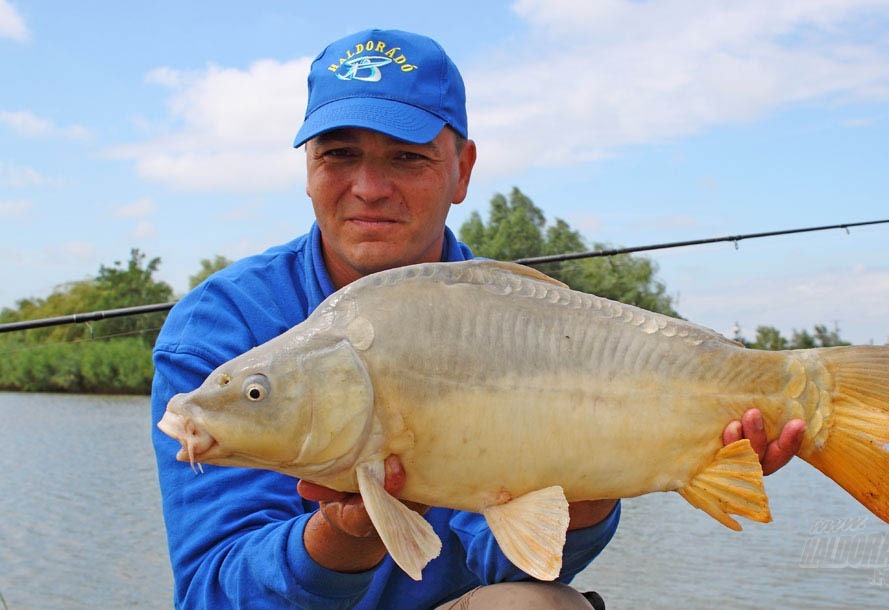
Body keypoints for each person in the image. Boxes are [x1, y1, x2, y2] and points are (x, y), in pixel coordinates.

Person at [151, 28, 806, 610]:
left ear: (461, 170)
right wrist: (344, 533)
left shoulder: (519, 320)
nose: (370, 187)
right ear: (307, 168)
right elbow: (213, 592)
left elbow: (513, 563)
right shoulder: (218, 328)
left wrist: (594, 491)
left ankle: (813, 394)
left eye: (406, 157)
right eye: (339, 154)